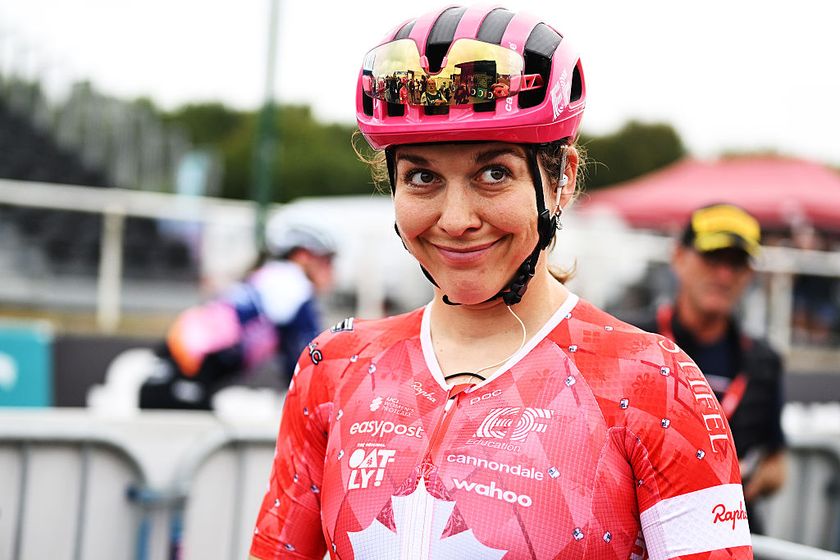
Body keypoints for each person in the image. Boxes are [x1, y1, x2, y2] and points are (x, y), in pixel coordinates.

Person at [250, 6, 752, 559]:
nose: (455, 219)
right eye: (422, 177)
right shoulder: (333, 367)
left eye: (494, 174)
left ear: (562, 178)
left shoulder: (656, 384)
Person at [631, 203, 786, 534]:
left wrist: (739, 481)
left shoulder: (763, 360)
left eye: (737, 263)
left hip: (727, 530)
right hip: (641, 527)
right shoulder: (631, 339)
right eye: (712, 258)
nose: (724, 275)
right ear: (679, 257)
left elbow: (776, 465)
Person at [138, 221, 336, 410]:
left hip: (181, 357)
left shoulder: (274, 276)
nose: (331, 270)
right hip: (189, 366)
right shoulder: (293, 284)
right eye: (326, 260)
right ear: (303, 256)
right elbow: (306, 355)